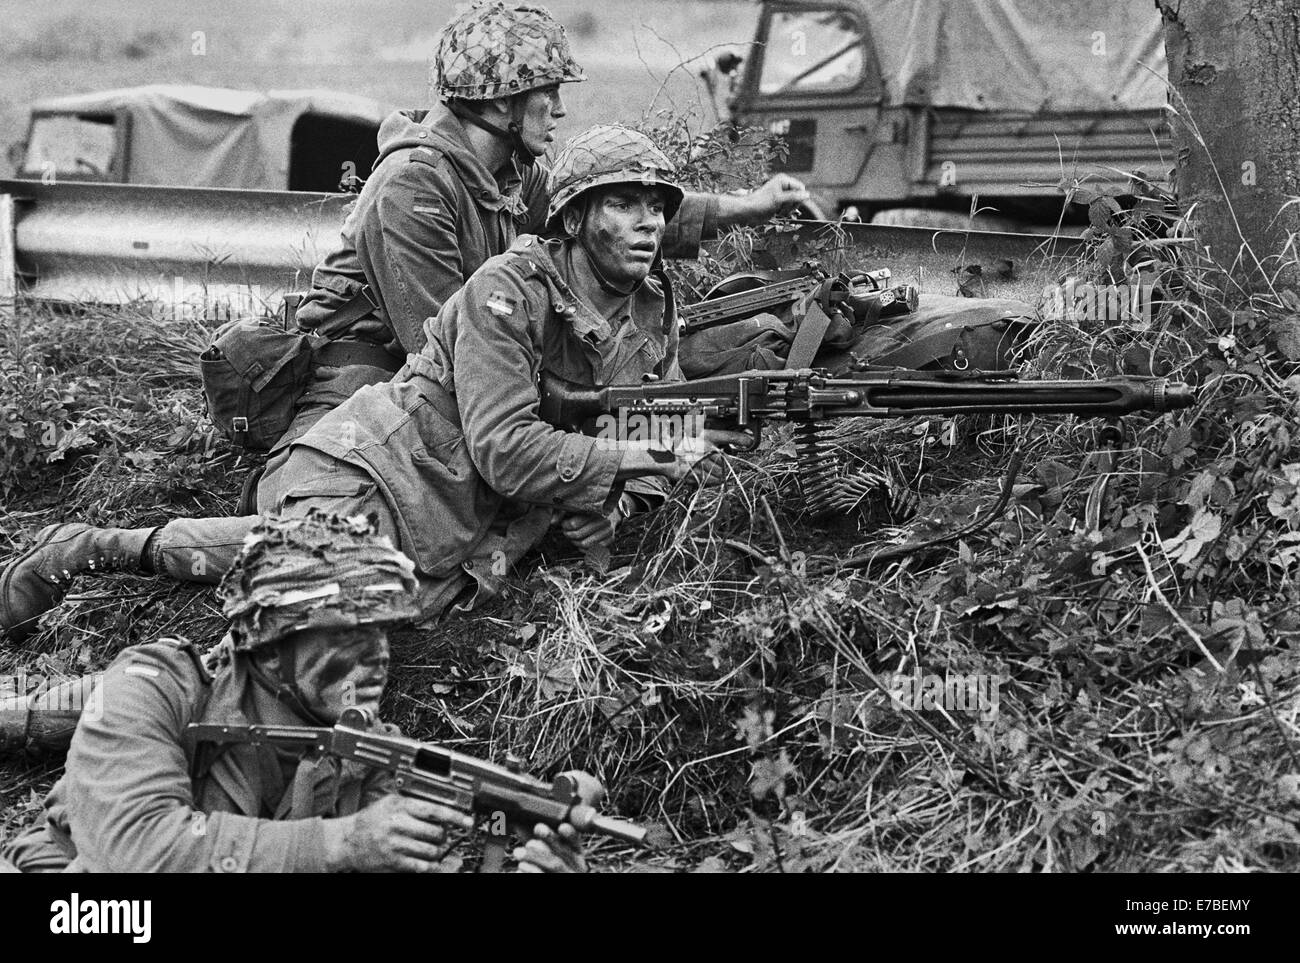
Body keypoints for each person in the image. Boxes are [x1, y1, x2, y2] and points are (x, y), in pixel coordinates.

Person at [0, 125, 749, 637]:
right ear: (580, 219)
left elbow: (651, 419)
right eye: (625, 204)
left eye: (657, 206)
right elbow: (508, 449)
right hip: (370, 467)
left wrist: (622, 494)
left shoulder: (652, 308)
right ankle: (98, 546)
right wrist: (623, 464)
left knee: (412, 603)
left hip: (459, 505)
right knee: (340, 581)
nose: (648, 224)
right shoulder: (509, 291)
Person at [281, 0, 807, 447]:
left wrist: (745, 208)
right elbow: (447, 348)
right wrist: (614, 431)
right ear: (501, 99)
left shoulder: (512, 173)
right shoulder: (411, 187)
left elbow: (600, 217)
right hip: (359, 381)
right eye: (547, 92)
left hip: (451, 367)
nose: (558, 110)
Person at [0, 511, 585, 872]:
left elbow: (449, 840)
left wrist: (527, 852)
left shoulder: (364, 749)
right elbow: (135, 854)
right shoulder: (149, 688)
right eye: (347, 636)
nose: (376, 659)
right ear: (267, 641)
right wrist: (338, 846)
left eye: (382, 635)